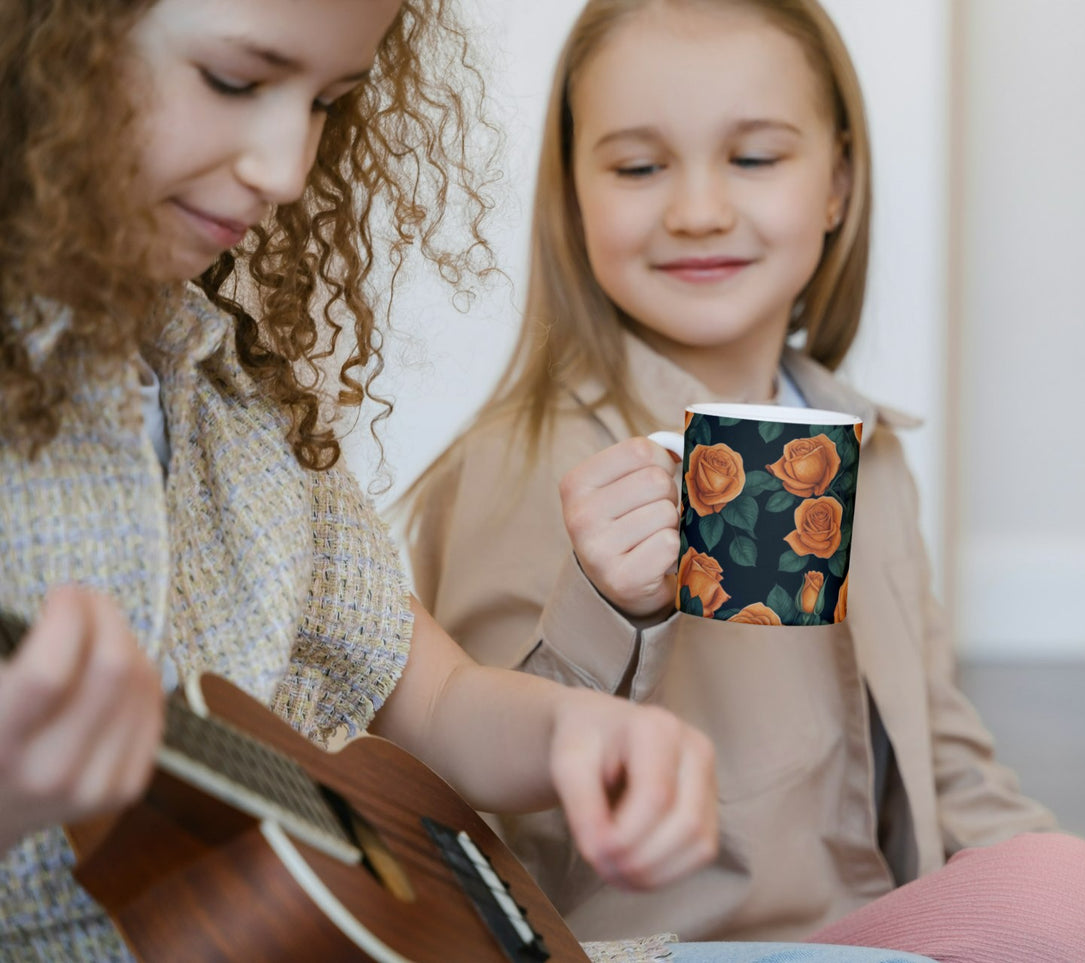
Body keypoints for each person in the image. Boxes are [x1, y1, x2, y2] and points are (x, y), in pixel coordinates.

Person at [0, 3, 933, 962]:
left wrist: (579, 730)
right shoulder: (520, 463)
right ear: (46, 47)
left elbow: (441, 702)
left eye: (329, 101)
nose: (285, 169)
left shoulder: (238, 407)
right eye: (234, 82)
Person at [402, 1, 1085, 961]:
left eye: (754, 158)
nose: (697, 209)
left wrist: (1054, 874)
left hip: (873, 919)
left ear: (835, 186)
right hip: (678, 946)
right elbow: (470, 815)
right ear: (573, 196)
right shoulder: (524, 461)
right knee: (1078, 905)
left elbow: (941, 748)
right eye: (639, 167)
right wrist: (603, 605)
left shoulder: (869, 453)